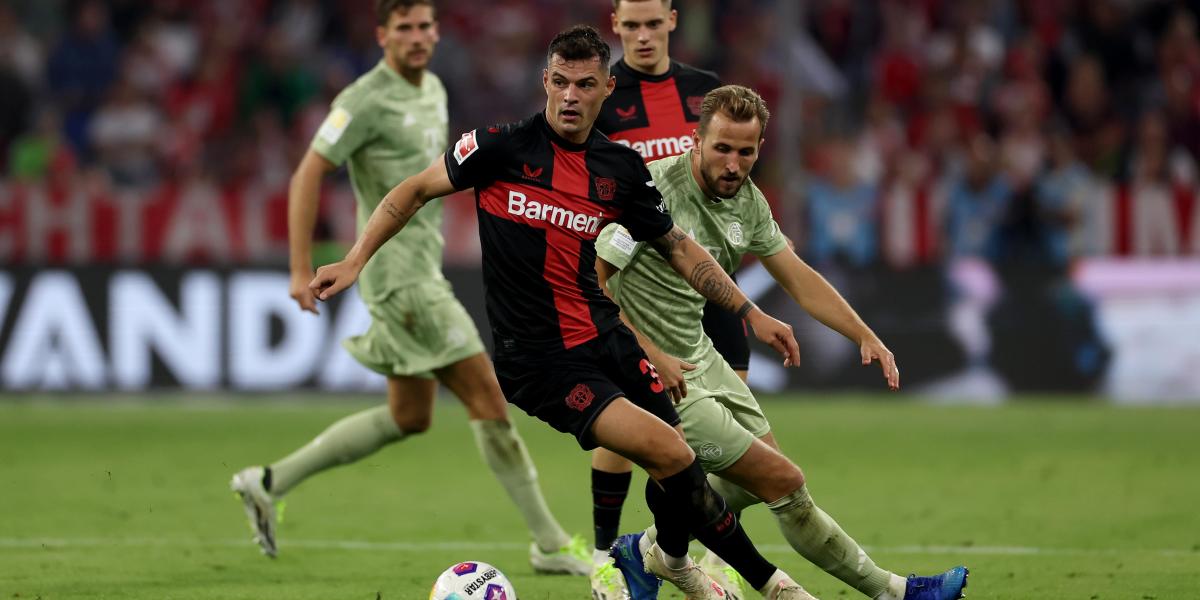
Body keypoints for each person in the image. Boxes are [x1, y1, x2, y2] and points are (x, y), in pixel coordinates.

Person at [309, 24, 819, 600]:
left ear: (607, 89)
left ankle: (665, 561)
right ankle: (773, 586)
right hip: (541, 361)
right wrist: (355, 261)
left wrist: (750, 311)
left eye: (585, 84)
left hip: (606, 336)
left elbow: (677, 245)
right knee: (671, 453)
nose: (571, 96)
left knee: (682, 461)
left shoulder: (621, 170)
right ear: (544, 83)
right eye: (560, 82)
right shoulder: (498, 147)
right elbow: (412, 191)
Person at [229, 0, 589, 575]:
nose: (418, 37)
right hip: (402, 281)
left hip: (424, 269)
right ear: (382, 35)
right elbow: (307, 173)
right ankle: (548, 541)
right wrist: (300, 268)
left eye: (425, 26)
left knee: (409, 415)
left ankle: (267, 482)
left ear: (437, 32)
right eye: (405, 28)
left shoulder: (434, 90)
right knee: (488, 399)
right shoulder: (363, 100)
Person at [597, 85, 969, 600]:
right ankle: (896, 592)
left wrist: (863, 333)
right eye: (722, 148)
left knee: (753, 482)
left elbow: (797, 276)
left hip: (702, 357)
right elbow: (591, 287)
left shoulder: (748, 202)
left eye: (745, 151)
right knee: (784, 482)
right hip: (651, 372)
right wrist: (650, 355)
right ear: (695, 140)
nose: (733, 163)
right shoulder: (649, 191)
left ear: (760, 148)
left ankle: (649, 553)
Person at [589, 2, 740, 596]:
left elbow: (732, 179)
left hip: (705, 278)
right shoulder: (601, 95)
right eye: (632, 26)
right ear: (615, 24)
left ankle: (696, 554)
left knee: (730, 428)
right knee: (626, 425)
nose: (644, 36)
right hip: (637, 283)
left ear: (673, 20)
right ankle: (604, 556)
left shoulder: (706, 92)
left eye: (654, 24)